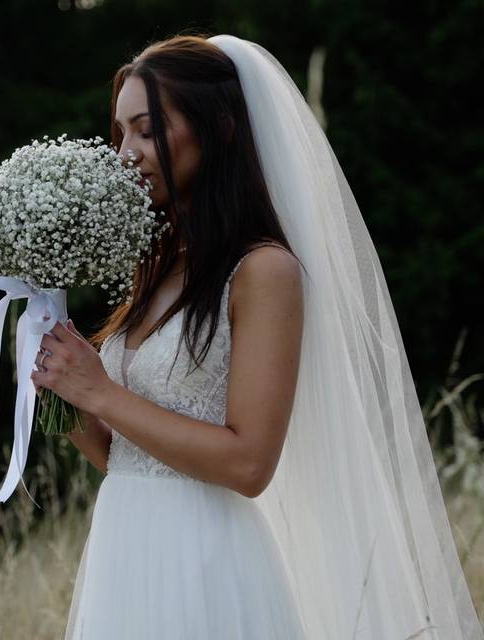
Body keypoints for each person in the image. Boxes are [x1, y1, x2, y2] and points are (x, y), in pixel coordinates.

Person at [29, 34, 483, 639]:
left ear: (219, 130)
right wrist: (59, 392)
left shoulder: (263, 270)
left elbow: (249, 463)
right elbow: (125, 459)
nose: (127, 153)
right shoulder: (159, 267)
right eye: (121, 133)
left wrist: (103, 392)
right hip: (124, 554)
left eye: (148, 129)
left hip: (205, 562)